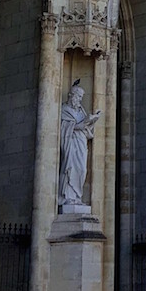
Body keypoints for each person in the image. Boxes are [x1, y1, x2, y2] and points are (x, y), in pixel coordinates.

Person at [58, 80, 101, 208]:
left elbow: (85, 129)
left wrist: (91, 122)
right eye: (79, 97)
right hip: (71, 142)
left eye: (81, 97)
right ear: (72, 96)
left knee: (82, 169)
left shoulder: (81, 111)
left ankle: (76, 197)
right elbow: (64, 127)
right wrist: (81, 125)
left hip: (81, 142)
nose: (80, 100)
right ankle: (67, 196)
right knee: (69, 168)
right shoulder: (64, 109)